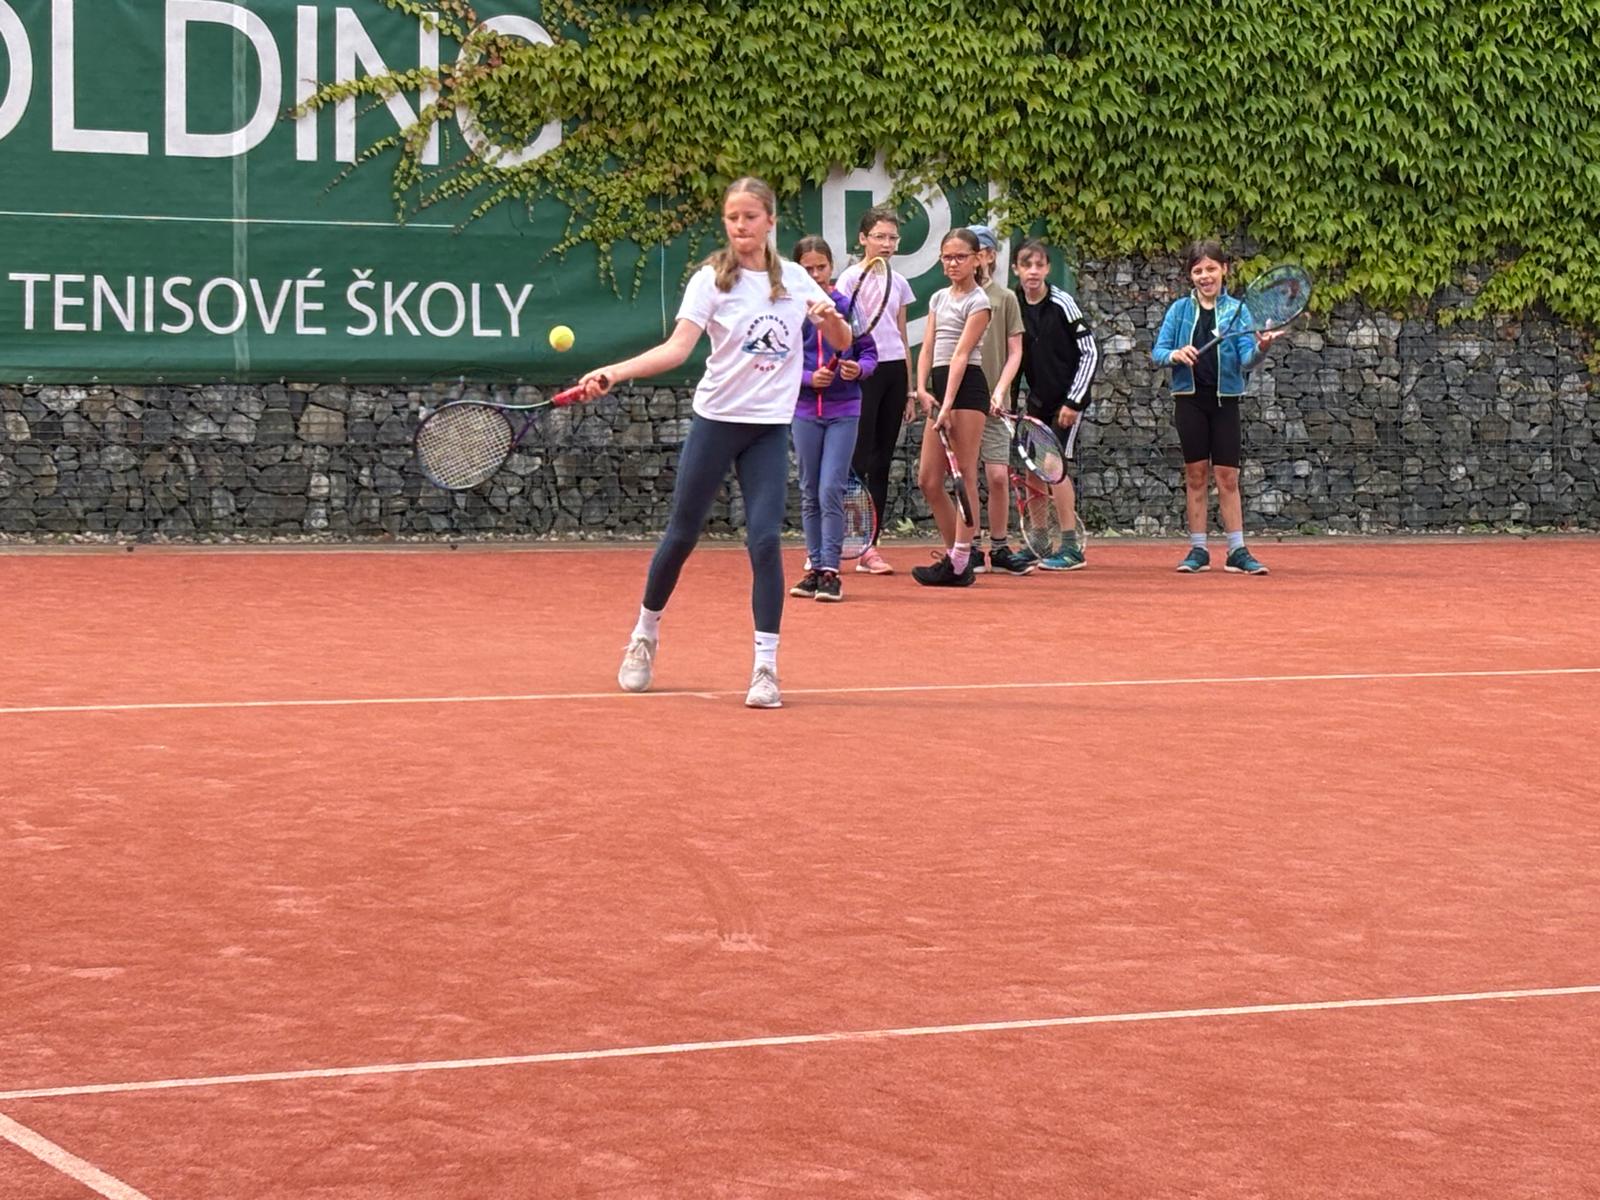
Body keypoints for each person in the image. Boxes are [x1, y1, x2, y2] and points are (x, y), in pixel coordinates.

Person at [577, 177, 851, 708]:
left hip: (768, 428)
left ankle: (766, 669)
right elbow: (677, 349)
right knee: (682, 535)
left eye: (750, 216)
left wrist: (830, 320)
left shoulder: (797, 279)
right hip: (717, 421)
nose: (741, 226)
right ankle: (644, 634)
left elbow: (842, 342)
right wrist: (615, 371)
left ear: (770, 221)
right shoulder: (710, 281)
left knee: (765, 541)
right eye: (732, 217)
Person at [1152, 239, 1286, 575]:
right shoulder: (1179, 311)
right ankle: (1198, 550)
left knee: (1228, 477)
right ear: (1191, 275)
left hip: (1226, 402)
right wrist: (1175, 354)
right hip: (1190, 401)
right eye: (1198, 270)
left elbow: (1246, 360)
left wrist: (1263, 347)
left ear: (1224, 269)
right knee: (1196, 475)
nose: (1205, 276)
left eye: (1211, 268)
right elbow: (1158, 352)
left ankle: (1237, 550)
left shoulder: (1238, 312)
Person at [789, 236, 878, 603]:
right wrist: (809, 378)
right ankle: (814, 568)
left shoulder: (846, 307)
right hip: (804, 412)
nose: (815, 275)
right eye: (807, 269)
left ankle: (830, 571)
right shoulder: (790, 310)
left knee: (830, 489)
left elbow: (870, 354)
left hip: (844, 411)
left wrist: (858, 369)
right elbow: (779, 363)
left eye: (821, 267)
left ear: (831, 267)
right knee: (810, 490)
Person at [1011, 238, 1099, 570]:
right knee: (1033, 469)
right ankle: (1039, 541)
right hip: (1037, 400)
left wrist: (1073, 401)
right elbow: (1012, 357)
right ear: (1016, 269)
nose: (1033, 271)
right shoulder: (1014, 304)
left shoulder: (1063, 303)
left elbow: (1090, 351)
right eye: (1026, 265)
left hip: (1066, 401)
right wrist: (1007, 402)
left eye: (1039, 265)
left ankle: (1071, 547)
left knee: (1053, 468)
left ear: (1048, 268)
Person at [911, 228, 991, 587]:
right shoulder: (938, 298)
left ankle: (959, 560)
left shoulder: (980, 302)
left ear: (977, 259)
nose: (953, 263)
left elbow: (960, 355)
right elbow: (927, 347)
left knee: (965, 475)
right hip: (940, 392)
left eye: (960, 256)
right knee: (928, 480)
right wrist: (921, 389)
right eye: (947, 257)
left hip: (967, 391)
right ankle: (957, 557)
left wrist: (947, 405)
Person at [840, 206, 917, 575]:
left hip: (894, 372)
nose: (887, 244)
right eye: (880, 237)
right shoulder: (848, 279)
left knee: (882, 461)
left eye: (892, 238)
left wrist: (911, 390)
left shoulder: (899, 283)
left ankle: (871, 546)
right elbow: (842, 331)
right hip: (863, 372)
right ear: (863, 239)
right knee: (857, 460)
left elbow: (901, 336)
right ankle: (844, 540)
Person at [964, 224, 1032, 576]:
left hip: (994, 405)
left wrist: (1000, 391)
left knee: (998, 476)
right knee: (966, 477)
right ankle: (972, 547)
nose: (974, 259)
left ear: (989, 255)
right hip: (964, 402)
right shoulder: (955, 297)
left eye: (979, 252)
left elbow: (1015, 351)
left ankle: (1001, 547)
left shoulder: (1005, 298)